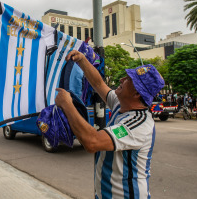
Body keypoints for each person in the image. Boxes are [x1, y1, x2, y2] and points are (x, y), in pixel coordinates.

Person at [55, 50, 164, 199]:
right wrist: (82, 60)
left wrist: (67, 105)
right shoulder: (122, 104)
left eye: (128, 79)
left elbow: (92, 142)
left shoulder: (139, 125)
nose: (122, 79)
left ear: (137, 94)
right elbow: (98, 84)